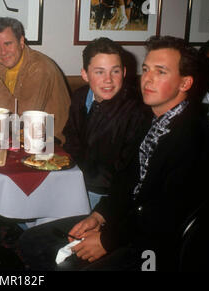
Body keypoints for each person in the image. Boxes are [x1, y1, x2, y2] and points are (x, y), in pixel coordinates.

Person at [19, 36, 209, 271]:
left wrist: (108, 239)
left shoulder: (197, 139)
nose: (148, 78)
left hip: (161, 250)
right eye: (146, 69)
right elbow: (127, 180)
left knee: (66, 264)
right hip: (132, 224)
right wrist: (100, 216)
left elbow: (165, 215)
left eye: (161, 72)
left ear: (185, 83)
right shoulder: (154, 121)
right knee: (33, 241)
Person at [63, 37, 151, 209]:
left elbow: (130, 172)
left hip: (108, 196)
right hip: (74, 181)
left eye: (115, 71)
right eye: (99, 72)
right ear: (85, 74)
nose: (108, 80)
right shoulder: (80, 96)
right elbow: (71, 137)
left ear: (124, 72)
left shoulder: (136, 110)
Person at [0, 17, 71, 144]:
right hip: (15, 140)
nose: (3, 52)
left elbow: (21, 119)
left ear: (21, 42)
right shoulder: (1, 66)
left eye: (8, 44)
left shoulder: (40, 67)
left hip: (50, 144)